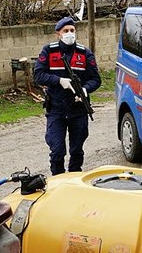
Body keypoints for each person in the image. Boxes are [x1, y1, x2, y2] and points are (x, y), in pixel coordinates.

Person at [33, 17, 101, 175]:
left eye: (72, 30)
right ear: (58, 34)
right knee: (57, 151)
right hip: (56, 109)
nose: (70, 33)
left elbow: (96, 79)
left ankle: (74, 179)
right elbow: (38, 75)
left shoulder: (84, 53)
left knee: (77, 151)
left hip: (78, 110)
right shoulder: (49, 51)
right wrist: (58, 80)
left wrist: (84, 90)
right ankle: (58, 181)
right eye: (66, 31)